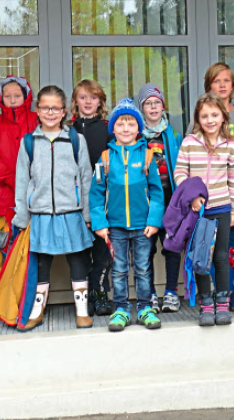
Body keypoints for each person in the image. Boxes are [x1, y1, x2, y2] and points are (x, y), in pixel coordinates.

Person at [11, 85, 95, 330]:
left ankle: (82, 310)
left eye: (55, 108)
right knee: (40, 264)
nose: (50, 112)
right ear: (37, 110)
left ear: (64, 112)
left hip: (72, 213)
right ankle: (37, 310)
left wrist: (88, 215)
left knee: (79, 260)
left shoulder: (75, 140)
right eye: (45, 108)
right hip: (40, 215)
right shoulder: (29, 142)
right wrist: (21, 217)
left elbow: (86, 177)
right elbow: (22, 181)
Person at [89, 98, 165, 332]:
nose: (125, 129)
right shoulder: (105, 159)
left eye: (131, 124)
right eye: (120, 124)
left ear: (138, 129)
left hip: (143, 226)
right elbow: (96, 194)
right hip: (116, 226)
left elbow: (157, 192)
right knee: (120, 269)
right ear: (113, 128)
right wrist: (100, 223)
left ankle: (144, 308)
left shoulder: (148, 156)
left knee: (142, 268)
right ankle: (121, 309)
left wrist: (154, 221)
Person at [174, 92, 234, 326]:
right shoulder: (189, 142)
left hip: (221, 208)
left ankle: (222, 302)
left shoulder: (230, 145)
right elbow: (180, 173)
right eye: (204, 116)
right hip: (198, 211)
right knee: (200, 258)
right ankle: (206, 304)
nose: (210, 120)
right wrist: (193, 197)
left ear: (223, 117)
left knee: (221, 257)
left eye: (214, 115)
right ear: (198, 118)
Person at [202, 62, 234, 311]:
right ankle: (215, 292)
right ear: (209, 86)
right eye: (216, 81)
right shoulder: (204, 112)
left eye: (226, 81)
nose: (222, 85)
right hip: (212, 189)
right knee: (212, 243)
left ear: (233, 86)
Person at [0, 76, 39, 277]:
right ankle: (5, 304)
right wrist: (11, 178)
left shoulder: (36, 119)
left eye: (17, 95)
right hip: (3, 195)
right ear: (0, 98)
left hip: (35, 194)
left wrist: (29, 179)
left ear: (26, 96)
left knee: (34, 251)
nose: (13, 99)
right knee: (6, 248)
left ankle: (31, 303)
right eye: (8, 96)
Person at [134, 83, 184, 313]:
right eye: (148, 103)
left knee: (172, 246)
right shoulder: (135, 135)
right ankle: (150, 294)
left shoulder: (172, 134)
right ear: (141, 108)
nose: (153, 107)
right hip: (146, 202)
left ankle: (172, 291)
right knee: (146, 248)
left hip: (170, 199)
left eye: (156, 102)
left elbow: (183, 165)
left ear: (162, 106)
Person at [72, 79, 114, 317]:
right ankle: (83, 296)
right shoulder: (68, 130)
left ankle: (100, 294)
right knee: (79, 252)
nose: (88, 102)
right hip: (74, 201)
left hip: (102, 199)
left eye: (93, 97)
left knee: (101, 251)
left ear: (100, 102)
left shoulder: (108, 129)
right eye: (83, 97)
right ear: (75, 102)